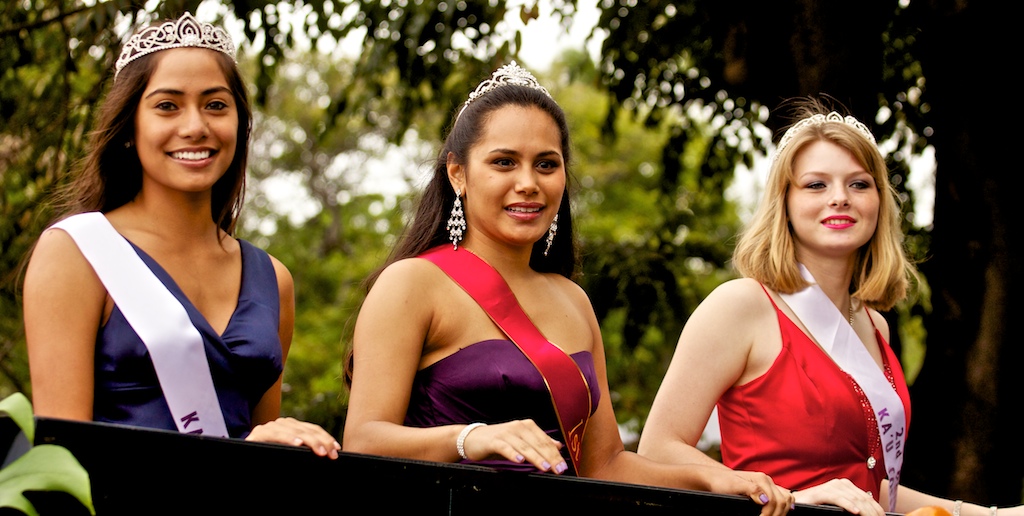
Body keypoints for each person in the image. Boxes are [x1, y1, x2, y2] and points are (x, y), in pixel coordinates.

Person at [341, 61, 794, 515]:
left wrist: (709, 476)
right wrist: (470, 438)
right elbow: (363, 440)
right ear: (457, 173)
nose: (528, 184)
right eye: (503, 162)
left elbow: (607, 465)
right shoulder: (413, 282)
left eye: (546, 165)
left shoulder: (572, 300)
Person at [636, 97, 1023, 516]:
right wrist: (783, 496)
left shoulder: (874, 325)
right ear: (783, 202)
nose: (840, 198)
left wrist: (991, 515)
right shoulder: (741, 306)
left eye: (859, 184)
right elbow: (657, 450)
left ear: (879, 201)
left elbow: (875, 490)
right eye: (816, 185)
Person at [22, 12, 339, 459]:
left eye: (215, 105)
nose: (195, 126)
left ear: (240, 124)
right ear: (130, 127)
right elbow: (61, 457)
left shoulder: (274, 279)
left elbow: (266, 452)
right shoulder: (76, 252)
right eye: (167, 105)